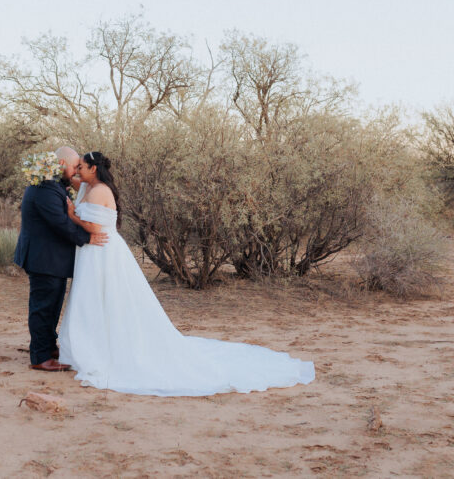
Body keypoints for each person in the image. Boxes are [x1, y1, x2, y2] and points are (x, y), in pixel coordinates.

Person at [58, 151, 315, 396]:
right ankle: (95, 343)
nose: (77, 171)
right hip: (91, 252)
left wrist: (72, 215)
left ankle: (107, 348)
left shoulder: (100, 190)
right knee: (92, 297)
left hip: (102, 250)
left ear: (93, 169)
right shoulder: (87, 186)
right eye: (76, 167)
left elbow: (93, 225)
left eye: (81, 167)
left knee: (108, 296)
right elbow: (75, 180)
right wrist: (62, 171)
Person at [14, 146, 107, 372]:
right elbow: (60, 224)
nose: (76, 171)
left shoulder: (52, 184)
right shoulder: (46, 188)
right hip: (43, 258)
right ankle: (39, 356)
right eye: (75, 166)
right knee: (43, 307)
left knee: (51, 306)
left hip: (49, 258)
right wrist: (87, 238)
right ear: (63, 165)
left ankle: (48, 346)